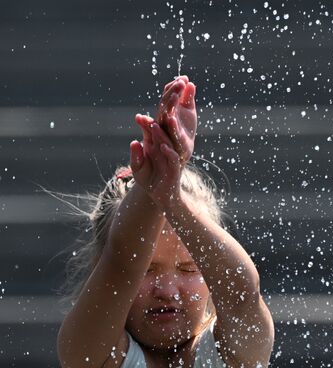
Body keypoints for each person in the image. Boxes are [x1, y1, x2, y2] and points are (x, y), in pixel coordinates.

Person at [57, 76, 275, 368]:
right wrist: (154, 188)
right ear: (99, 273)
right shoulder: (89, 351)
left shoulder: (231, 355)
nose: (168, 291)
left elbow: (242, 294)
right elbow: (122, 262)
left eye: (189, 268)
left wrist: (172, 200)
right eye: (146, 270)